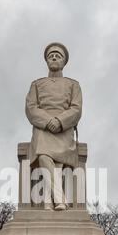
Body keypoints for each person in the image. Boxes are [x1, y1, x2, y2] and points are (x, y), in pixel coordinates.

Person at [26, 43, 82, 211]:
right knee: (43, 155)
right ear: (47, 61)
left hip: (64, 129)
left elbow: (76, 108)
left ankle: (50, 202)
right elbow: (31, 108)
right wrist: (47, 121)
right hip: (42, 128)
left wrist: (59, 121)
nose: (54, 57)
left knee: (57, 163)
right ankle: (60, 198)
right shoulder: (36, 84)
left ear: (64, 62)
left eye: (58, 55)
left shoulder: (73, 85)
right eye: (51, 56)